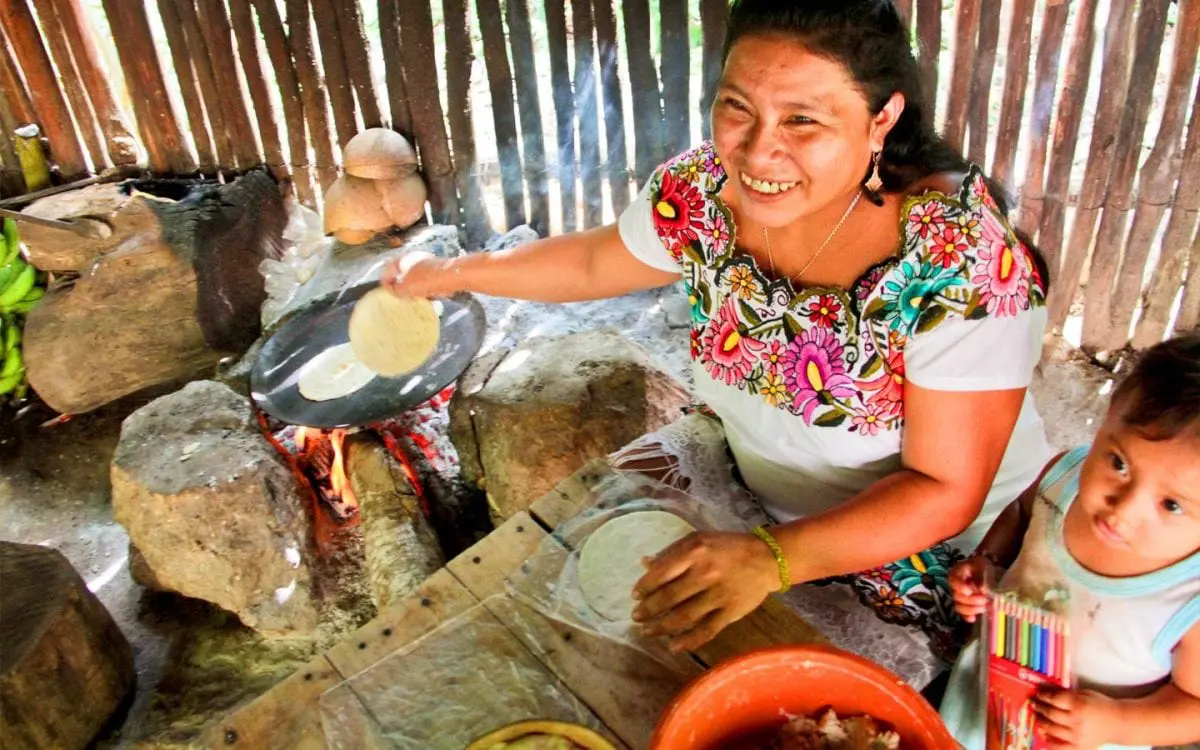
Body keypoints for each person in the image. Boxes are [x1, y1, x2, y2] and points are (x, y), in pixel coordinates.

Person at [383, 0, 1051, 681]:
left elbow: (943, 489)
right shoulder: (703, 196)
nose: (759, 152)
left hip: (938, 557)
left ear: (882, 118)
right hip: (757, 491)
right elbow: (593, 262)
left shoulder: (956, 263)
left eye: (803, 120)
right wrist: (449, 272)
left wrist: (772, 558)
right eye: (738, 107)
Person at [940, 333, 1200, 749]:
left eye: (1171, 505)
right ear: (1108, 417)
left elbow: (1194, 706)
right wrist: (988, 560)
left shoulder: (1189, 600)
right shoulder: (1065, 481)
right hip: (985, 695)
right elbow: (1023, 512)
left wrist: (1118, 722)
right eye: (1118, 463)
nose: (1123, 508)